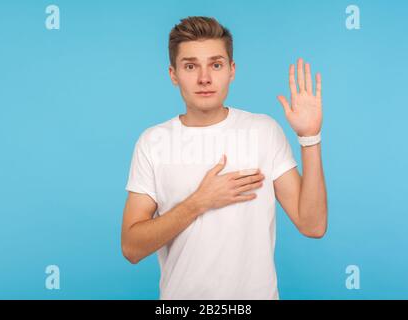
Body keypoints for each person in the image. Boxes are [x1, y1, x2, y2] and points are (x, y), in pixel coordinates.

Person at [121, 16, 328, 300]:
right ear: (173, 74)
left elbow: (312, 225)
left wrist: (310, 138)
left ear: (232, 70)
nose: (204, 78)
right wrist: (199, 201)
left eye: (216, 65)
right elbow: (132, 248)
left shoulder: (263, 131)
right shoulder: (153, 142)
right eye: (190, 66)